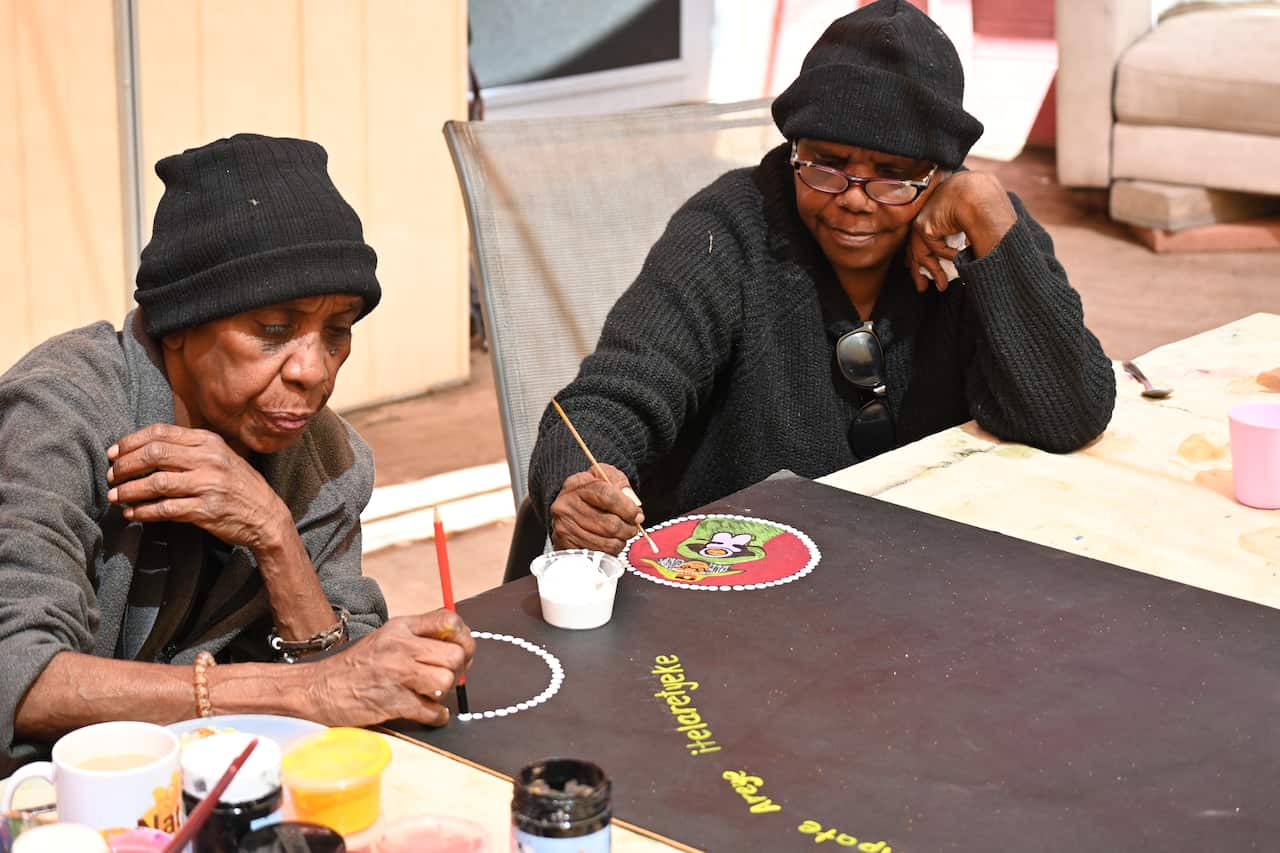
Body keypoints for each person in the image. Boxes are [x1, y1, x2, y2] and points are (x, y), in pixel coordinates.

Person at [527, 0, 1116, 556]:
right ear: (793, 149)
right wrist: (582, 481)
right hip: (732, 578)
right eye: (826, 165)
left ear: (941, 175)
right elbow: (609, 398)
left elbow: (1066, 416)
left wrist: (990, 216)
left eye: (894, 175)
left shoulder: (979, 234)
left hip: (921, 569)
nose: (854, 201)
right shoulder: (730, 229)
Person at [0, 134, 473, 773]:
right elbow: (16, 672)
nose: (313, 370)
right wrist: (299, 693)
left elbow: (348, 671)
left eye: (338, 331)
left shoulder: (326, 459)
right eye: (273, 330)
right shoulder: (59, 416)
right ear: (179, 325)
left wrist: (275, 535)